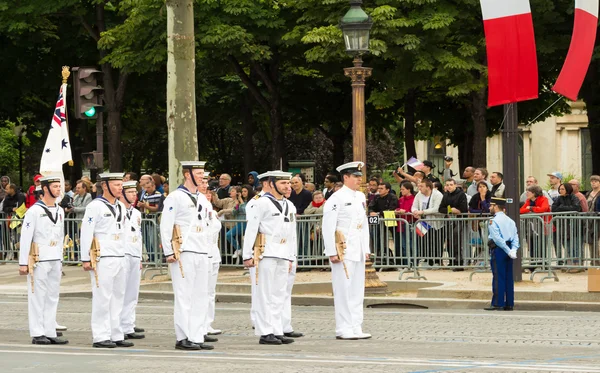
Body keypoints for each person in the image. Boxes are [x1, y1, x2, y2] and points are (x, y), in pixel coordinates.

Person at [160, 161, 215, 351]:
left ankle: (197, 335)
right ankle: (183, 336)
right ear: (187, 174)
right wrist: (169, 251)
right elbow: (166, 224)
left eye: (203, 173)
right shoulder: (175, 197)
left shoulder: (202, 198)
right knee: (184, 295)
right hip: (184, 251)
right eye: (198, 173)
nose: (202, 176)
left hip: (201, 250)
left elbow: (209, 224)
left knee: (201, 295)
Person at [243, 171, 297, 345]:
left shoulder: (289, 205)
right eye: (283, 183)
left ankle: (276, 329)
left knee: (278, 293)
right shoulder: (261, 203)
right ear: (271, 184)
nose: (287, 186)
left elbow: (291, 234)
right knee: (265, 293)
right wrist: (248, 254)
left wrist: (291, 257)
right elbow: (251, 230)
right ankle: (265, 331)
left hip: (283, 252)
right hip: (266, 252)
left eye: (288, 183)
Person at [80, 173, 132, 348]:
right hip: (103, 257)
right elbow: (86, 232)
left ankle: (115, 333)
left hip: (119, 256)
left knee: (118, 297)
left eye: (120, 185)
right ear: (106, 186)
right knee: (103, 297)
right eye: (116, 185)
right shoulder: (95, 206)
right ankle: (101, 335)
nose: (120, 188)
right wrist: (86, 258)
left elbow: (124, 232)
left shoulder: (121, 207)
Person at [322, 161, 371, 340]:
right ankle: (343, 328)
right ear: (346, 178)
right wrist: (331, 251)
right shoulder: (336, 198)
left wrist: (366, 248)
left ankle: (356, 325)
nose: (359, 179)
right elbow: (328, 226)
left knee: (357, 290)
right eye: (356, 176)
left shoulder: (360, 197)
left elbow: (363, 224)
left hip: (357, 249)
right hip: (342, 249)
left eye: (360, 176)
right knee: (343, 289)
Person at [18, 175, 69, 345]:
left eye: (58, 186)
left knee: (52, 295)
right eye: (55, 186)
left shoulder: (60, 210)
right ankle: (37, 332)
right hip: (39, 259)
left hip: (55, 257)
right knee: (37, 296)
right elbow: (26, 237)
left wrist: (61, 258)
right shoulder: (34, 211)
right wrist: (23, 262)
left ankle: (49, 330)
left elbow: (61, 235)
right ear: (45, 189)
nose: (58, 190)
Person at [244, 171, 272, 330]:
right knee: (258, 285)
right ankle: (256, 318)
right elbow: (253, 228)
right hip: (258, 248)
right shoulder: (256, 202)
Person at [119, 181, 145, 341]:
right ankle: (118, 325)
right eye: (130, 192)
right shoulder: (117, 210)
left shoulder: (136, 213)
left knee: (132, 293)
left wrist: (140, 257)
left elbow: (139, 236)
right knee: (120, 292)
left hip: (134, 254)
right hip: (121, 254)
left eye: (135, 192)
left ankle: (128, 324)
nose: (134, 195)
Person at [485, 197, 519, 311]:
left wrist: (507, 249)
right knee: (509, 276)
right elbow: (515, 237)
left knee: (498, 276)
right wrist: (513, 249)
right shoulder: (510, 220)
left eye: (491, 206)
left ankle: (498, 302)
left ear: (495, 207)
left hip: (499, 249)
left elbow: (497, 238)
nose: (490, 208)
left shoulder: (493, 221)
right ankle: (509, 303)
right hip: (509, 248)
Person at [202, 182, 223, 336]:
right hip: (202, 253)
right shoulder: (196, 211)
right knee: (201, 291)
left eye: (210, 193)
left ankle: (208, 323)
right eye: (206, 192)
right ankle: (199, 324)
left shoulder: (214, 213)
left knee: (210, 292)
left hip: (214, 254)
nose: (208, 195)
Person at [229, 185, 254, 259]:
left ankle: (247, 257)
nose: (243, 193)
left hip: (246, 223)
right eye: (242, 191)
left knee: (247, 241)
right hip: (239, 223)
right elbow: (234, 213)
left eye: (245, 191)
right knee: (229, 235)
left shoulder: (251, 201)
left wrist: (241, 201)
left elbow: (246, 211)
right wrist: (237, 204)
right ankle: (238, 249)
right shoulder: (240, 201)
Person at [395, 181, 416, 266]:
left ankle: (412, 263)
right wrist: (397, 211)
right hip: (402, 224)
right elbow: (397, 208)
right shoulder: (401, 199)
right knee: (403, 245)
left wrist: (406, 212)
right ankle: (405, 263)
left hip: (410, 224)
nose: (401, 191)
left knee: (411, 244)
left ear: (409, 189)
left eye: (403, 189)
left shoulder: (414, 199)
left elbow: (414, 212)